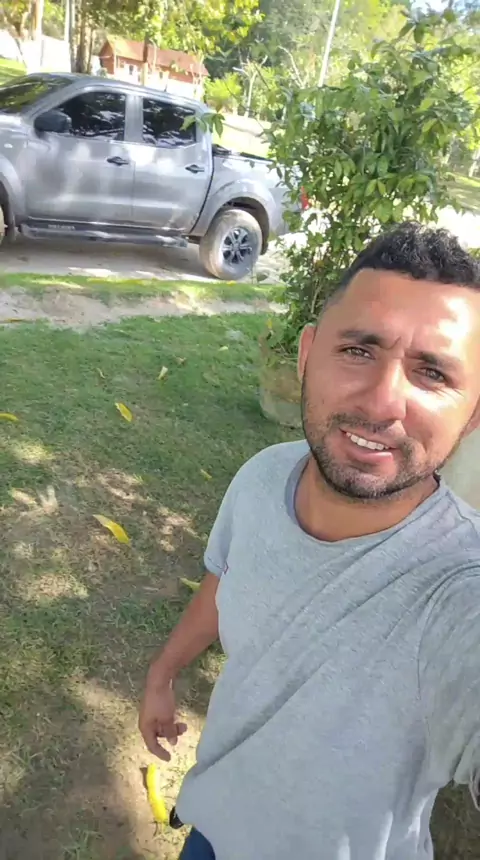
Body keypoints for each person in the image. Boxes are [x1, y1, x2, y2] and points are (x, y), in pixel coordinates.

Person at [139, 222, 480, 860]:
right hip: (213, 826)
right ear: (306, 355)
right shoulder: (263, 475)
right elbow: (224, 579)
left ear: (475, 413)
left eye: (432, 372)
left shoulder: (461, 589)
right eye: (358, 350)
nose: (382, 403)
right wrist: (164, 671)